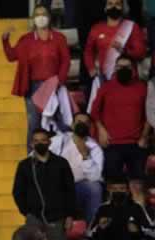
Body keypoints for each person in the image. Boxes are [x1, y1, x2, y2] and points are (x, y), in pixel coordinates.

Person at [11, 128, 76, 240]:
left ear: (49, 142)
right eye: (36, 141)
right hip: (34, 217)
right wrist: (27, 211)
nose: (40, 143)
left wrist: (69, 215)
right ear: (32, 143)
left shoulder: (61, 164)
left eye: (43, 140)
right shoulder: (25, 166)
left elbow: (70, 190)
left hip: (57, 217)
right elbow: (17, 191)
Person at [2, 5, 71, 144]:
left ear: (49, 17)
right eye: (37, 15)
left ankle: (66, 156)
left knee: (60, 124)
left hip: (54, 86)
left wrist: (59, 81)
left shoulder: (59, 38)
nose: (41, 17)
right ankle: (31, 159)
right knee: (34, 125)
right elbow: (11, 56)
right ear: (33, 19)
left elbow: (66, 61)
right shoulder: (26, 40)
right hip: (33, 88)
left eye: (43, 14)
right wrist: (5, 40)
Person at [90, 54, 150, 199]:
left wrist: (144, 136)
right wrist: (101, 129)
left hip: (136, 144)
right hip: (112, 144)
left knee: (137, 186)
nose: (123, 69)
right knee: (112, 186)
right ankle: (112, 218)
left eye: (127, 67)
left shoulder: (143, 88)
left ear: (133, 69)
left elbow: (150, 114)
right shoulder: (106, 88)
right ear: (115, 68)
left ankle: (139, 218)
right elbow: (94, 112)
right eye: (120, 67)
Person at [50, 113, 104, 223]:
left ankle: (92, 230)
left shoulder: (94, 148)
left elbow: (95, 177)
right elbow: (36, 157)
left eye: (86, 123)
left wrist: (85, 156)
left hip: (78, 188)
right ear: (72, 124)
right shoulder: (59, 140)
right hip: (56, 186)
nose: (82, 125)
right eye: (79, 122)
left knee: (95, 188)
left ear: (89, 127)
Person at [84, 0, 147, 95]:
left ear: (123, 7)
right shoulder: (96, 28)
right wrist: (91, 68)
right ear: (105, 7)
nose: (114, 7)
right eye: (110, 4)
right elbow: (88, 51)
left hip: (128, 78)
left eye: (117, 4)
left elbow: (141, 53)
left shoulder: (132, 27)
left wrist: (124, 50)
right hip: (104, 79)